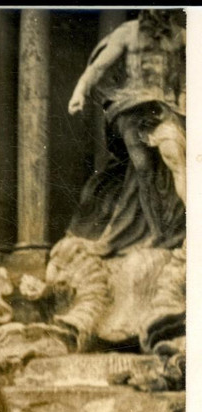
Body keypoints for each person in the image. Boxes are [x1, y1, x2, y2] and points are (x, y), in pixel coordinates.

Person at [67, 10, 186, 255]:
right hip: (132, 108)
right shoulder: (127, 33)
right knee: (144, 170)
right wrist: (80, 90)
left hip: (165, 108)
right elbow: (99, 67)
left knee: (176, 159)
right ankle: (158, 232)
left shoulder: (181, 36)